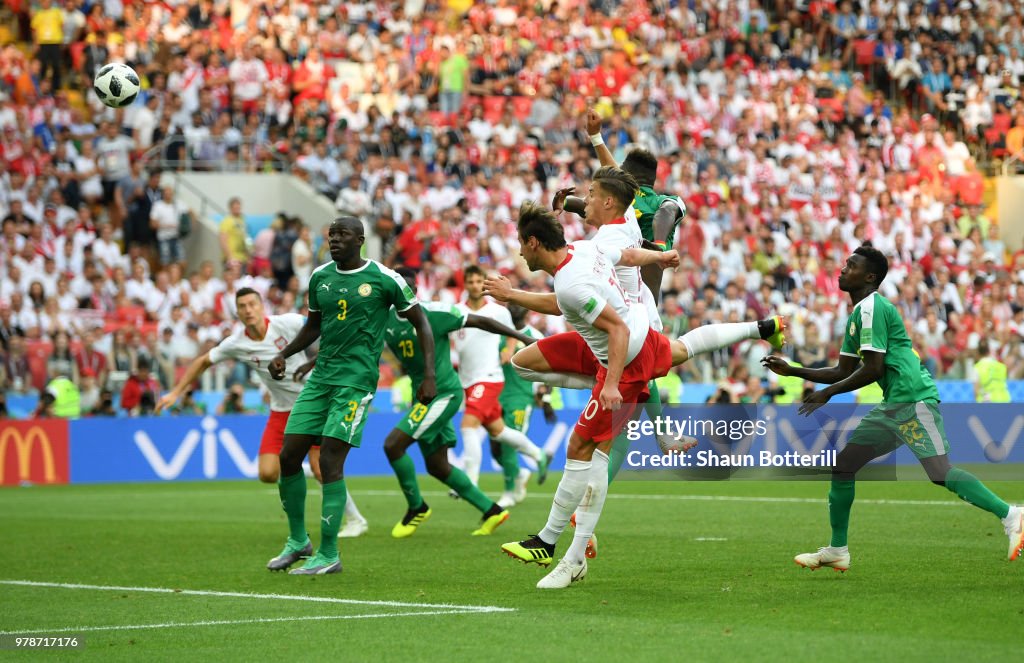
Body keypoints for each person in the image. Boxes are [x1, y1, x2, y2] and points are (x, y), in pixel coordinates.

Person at [486, 189, 786, 589]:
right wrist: (660, 256)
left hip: (623, 359)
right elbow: (620, 261)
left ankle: (553, 545)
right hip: (627, 337)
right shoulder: (583, 251)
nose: (520, 253)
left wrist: (610, 384)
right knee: (525, 363)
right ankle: (760, 328)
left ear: (534, 242)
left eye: (521, 244)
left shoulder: (574, 278)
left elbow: (614, 328)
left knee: (585, 448)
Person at [762, 245, 1024, 569]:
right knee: (844, 465)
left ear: (869, 277)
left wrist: (827, 393)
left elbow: (872, 369)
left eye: (851, 265)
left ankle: (1011, 515)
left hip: (912, 398)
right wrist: (793, 370)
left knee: (940, 472)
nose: (843, 269)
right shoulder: (858, 315)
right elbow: (843, 370)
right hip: (894, 404)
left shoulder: (872, 308)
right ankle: (837, 550)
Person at [266, 216, 436, 576]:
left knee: (330, 460)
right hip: (321, 379)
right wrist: (285, 353)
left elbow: (421, 322)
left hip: (355, 383)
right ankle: (298, 541)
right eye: (331, 235)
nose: (334, 240)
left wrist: (429, 375)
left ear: (360, 240)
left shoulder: (384, 278)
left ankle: (329, 553)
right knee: (289, 456)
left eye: (342, 235)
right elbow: (313, 326)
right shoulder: (320, 277)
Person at [155, 287, 369, 538]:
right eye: (242, 306)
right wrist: (175, 392)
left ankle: (355, 520)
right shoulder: (237, 343)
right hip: (280, 410)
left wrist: (315, 361)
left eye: (252, 304)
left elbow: (327, 327)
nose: (248, 310)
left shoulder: (288, 323)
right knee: (267, 473)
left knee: (321, 468)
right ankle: (305, 470)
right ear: (237, 313)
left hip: (311, 405)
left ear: (262, 306)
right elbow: (203, 361)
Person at [382, 267, 537, 539]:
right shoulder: (384, 321)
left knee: (393, 445)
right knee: (437, 466)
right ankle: (492, 511)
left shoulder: (435, 312)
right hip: (421, 397)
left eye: (410, 287)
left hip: (444, 394)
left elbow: (480, 321)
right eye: (400, 288)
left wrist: (520, 336)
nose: (406, 292)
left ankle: (416, 507)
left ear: (416, 289)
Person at [450, 264, 548, 490]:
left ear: (484, 283)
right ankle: (538, 454)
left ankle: (469, 482)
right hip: (467, 379)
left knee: (468, 425)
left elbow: (511, 333)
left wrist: (509, 349)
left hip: (489, 376)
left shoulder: (498, 311)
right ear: (465, 284)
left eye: (479, 281)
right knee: (499, 431)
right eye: (471, 282)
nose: (475, 286)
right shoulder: (456, 311)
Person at [492, 303, 557, 509]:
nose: (515, 309)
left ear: (528, 312)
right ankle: (529, 465)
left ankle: (509, 493)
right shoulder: (498, 334)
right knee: (495, 451)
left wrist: (546, 399)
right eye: (512, 305)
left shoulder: (534, 336)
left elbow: (550, 368)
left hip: (520, 397)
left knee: (507, 444)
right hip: (496, 396)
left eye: (520, 305)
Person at [972, 339, 1011, 403]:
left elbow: (976, 391)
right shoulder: (1001, 366)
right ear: (990, 351)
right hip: (1005, 399)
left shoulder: (977, 368)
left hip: (988, 400)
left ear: (978, 352)